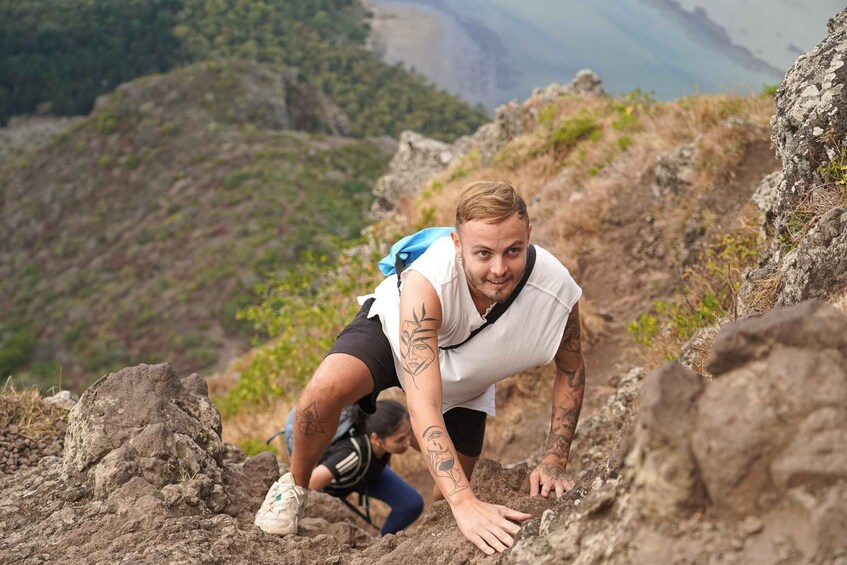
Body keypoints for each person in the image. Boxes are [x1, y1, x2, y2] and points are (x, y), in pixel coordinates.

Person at [255, 179, 585, 555]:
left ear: (529, 234)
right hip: (395, 337)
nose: (499, 268)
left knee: (451, 486)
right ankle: (293, 487)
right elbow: (422, 406)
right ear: (457, 244)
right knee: (325, 389)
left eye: (513, 250)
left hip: (467, 378)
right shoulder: (429, 280)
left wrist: (555, 461)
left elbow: (571, 369)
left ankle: (433, 533)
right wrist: (466, 502)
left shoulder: (555, 289)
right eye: (482, 254)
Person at [256, 399, 423, 536]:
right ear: (376, 439)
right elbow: (312, 481)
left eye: (409, 434)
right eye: (400, 439)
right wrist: (323, 508)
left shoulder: (381, 438)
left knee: (411, 504)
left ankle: (384, 542)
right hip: (334, 487)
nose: (408, 442)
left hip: (366, 473)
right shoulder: (352, 455)